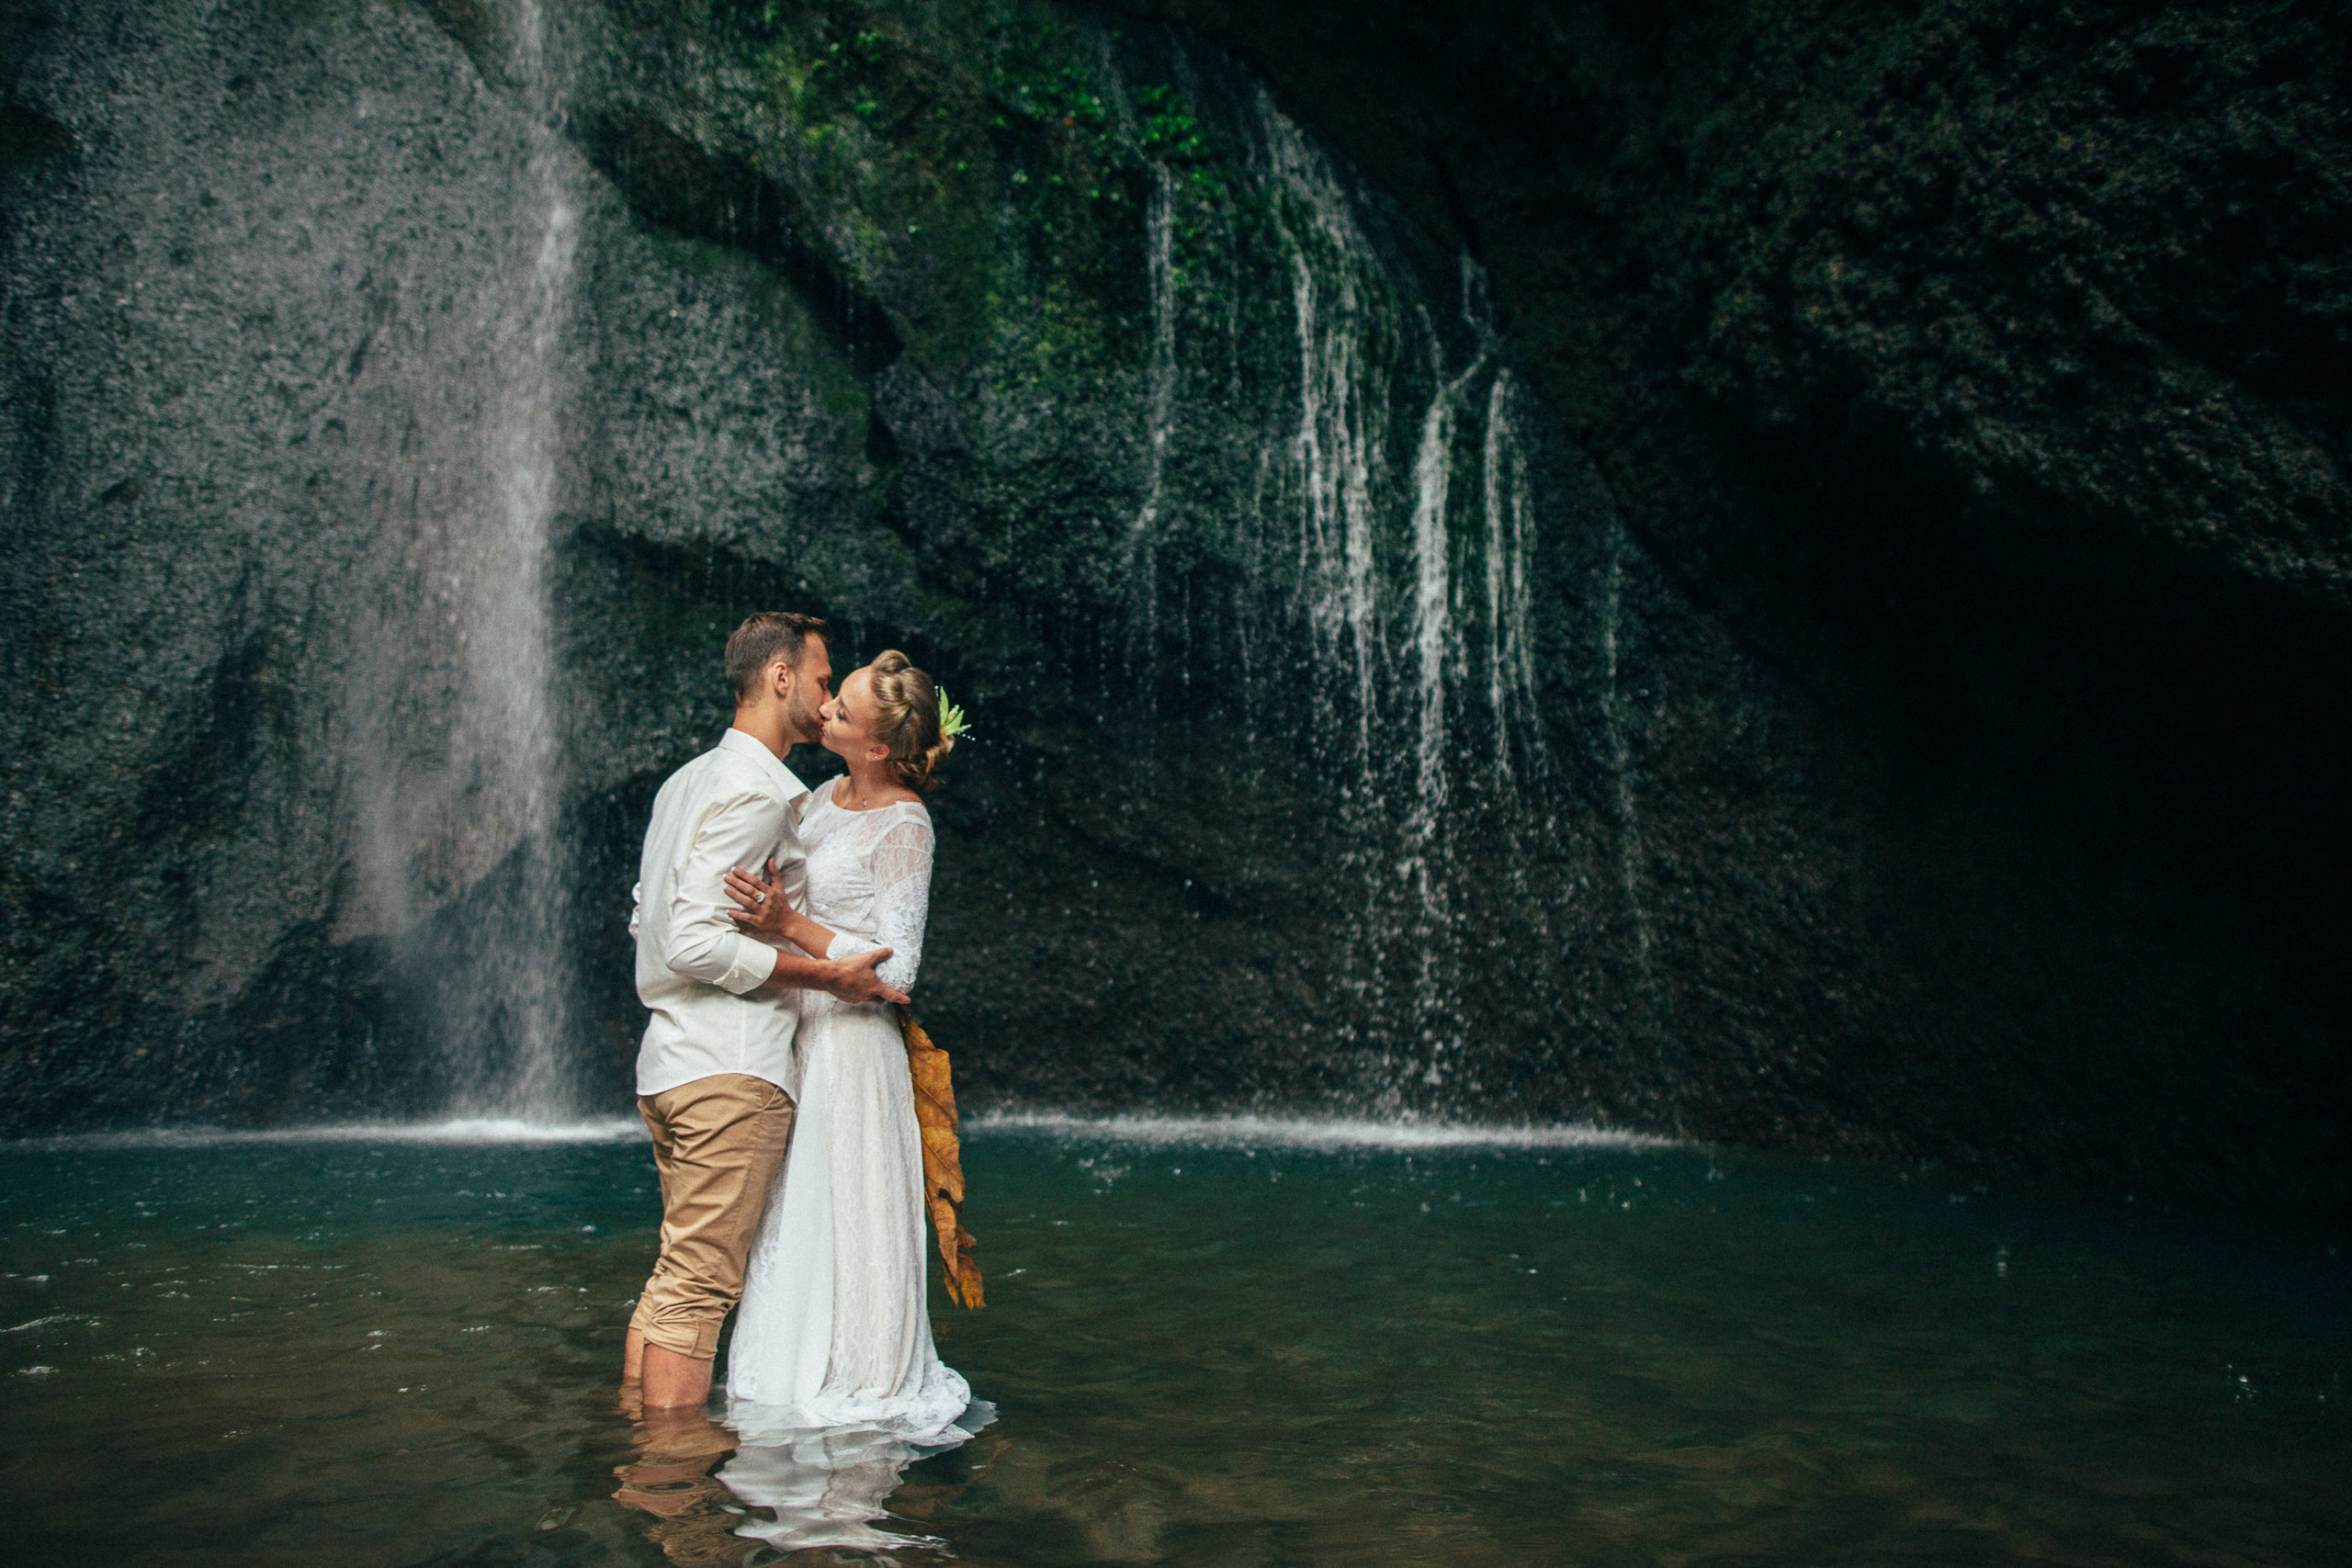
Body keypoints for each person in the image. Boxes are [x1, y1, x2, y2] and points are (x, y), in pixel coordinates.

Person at [623, 613, 911, 1413]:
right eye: (823, 680)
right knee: (698, 1286)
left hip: (668, 1063)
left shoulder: (685, 782)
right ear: (779, 676)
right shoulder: (758, 794)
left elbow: (647, 916)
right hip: (730, 1067)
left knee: (673, 1274)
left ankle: (633, 1449)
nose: (827, 701)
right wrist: (824, 976)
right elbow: (690, 939)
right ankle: (671, 1487)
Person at [716, 649, 979, 1437]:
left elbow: (898, 967)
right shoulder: (815, 801)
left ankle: (860, 1375)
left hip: (855, 1048)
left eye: (844, 706)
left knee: (848, 1215)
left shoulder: (907, 824)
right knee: (792, 1215)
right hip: (795, 1031)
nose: (824, 706)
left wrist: (787, 925)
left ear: (876, 748)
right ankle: (782, 1372)